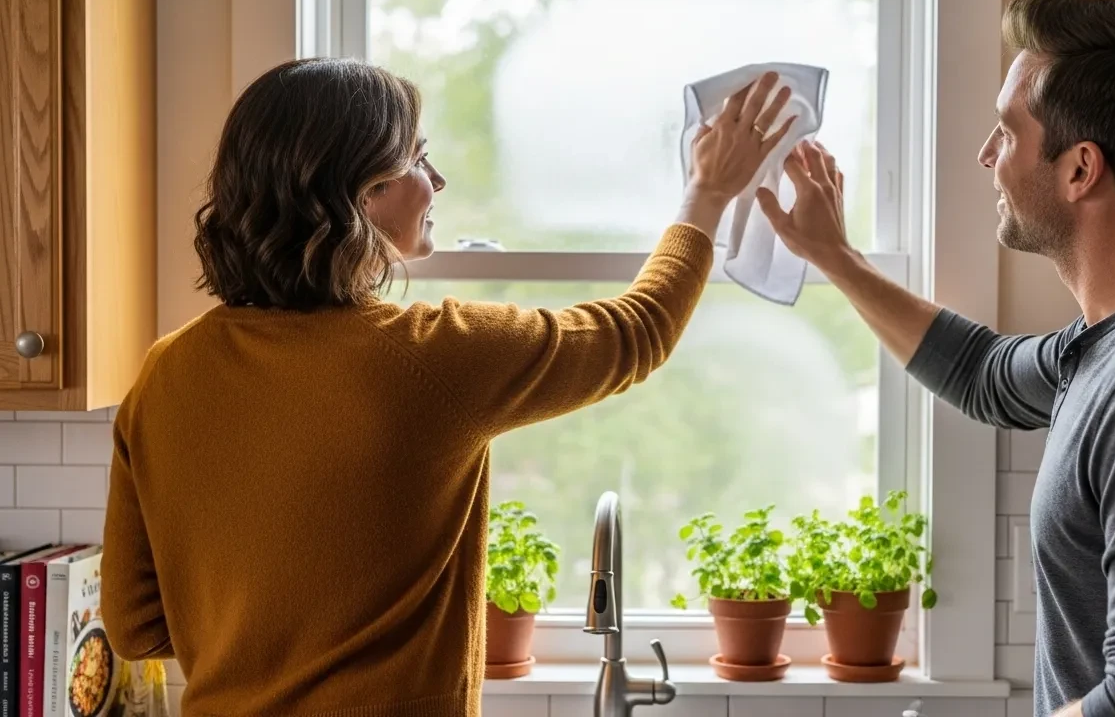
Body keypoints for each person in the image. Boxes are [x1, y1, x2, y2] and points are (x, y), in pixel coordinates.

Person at [99, 58, 809, 716]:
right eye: (415, 158)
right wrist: (707, 192)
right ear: (362, 193)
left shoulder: (167, 373)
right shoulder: (427, 359)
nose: (435, 181)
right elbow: (636, 332)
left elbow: (135, 628)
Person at [758, 0, 1115, 717]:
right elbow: (981, 373)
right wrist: (836, 258)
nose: (987, 154)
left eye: (1008, 133)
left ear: (1081, 169)